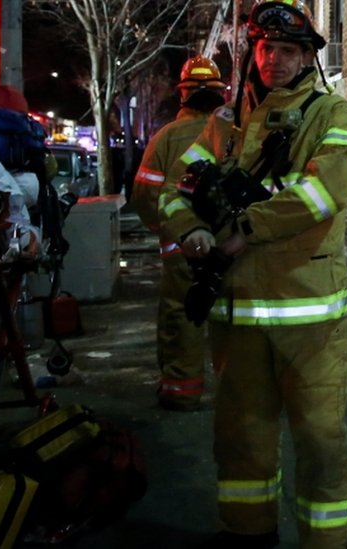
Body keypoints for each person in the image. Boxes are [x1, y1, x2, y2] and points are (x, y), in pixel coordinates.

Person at [158, 1, 347, 547]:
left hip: (309, 314)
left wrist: (244, 227)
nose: (274, 59)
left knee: (319, 436)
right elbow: (177, 188)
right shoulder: (225, 123)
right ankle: (246, 531)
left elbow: (323, 193)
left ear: (306, 57)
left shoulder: (330, 114)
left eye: (288, 50)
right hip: (237, 311)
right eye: (266, 49)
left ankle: (327, 540)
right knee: (242, 435)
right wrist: (193, 232)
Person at [131, 55, 227, 411]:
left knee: (183, 315)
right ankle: (241, 394)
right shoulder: (234, 131)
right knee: (235, 316)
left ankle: (181, 392)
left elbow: (145, 197)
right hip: (233, 244)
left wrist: (169, 229)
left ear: (182, 94)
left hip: (182, 248)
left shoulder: (167, 137)